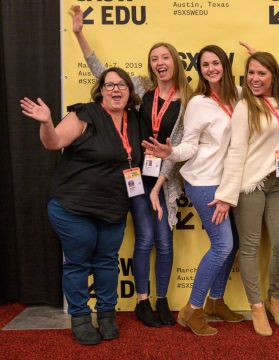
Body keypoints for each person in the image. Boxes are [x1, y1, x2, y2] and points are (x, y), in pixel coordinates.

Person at [70, 5, 199, 327]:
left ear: (175, 62)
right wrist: (78, 34)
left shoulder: (189, 101)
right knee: (144, 239)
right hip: (136, 177)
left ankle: (163, 300)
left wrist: (158, 188)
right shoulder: (142, 91)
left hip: (165, 181)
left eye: (165, 57)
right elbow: (100, 71)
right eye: (154, 59)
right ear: (151, 66)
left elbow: (178, 149)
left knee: (165, 242)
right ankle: (142, 301)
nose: (159, 63)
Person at [21, 68, 141, 345]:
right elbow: (54, 142)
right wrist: (46, 123)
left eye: (122, 85)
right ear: (100, 90)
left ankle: (107, 315)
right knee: (78, 263)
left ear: (129, 92)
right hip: (74, 206)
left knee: (108, 262)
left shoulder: (133, 119)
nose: (116, 90)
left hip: (112, 207)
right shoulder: (83, 114)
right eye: (110, 84)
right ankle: (80, 318)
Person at [142, 45, 244, 336]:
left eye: (215, 63)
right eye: (205, 65)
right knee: (222, 245)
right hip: (204, 182)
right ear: (200, 70)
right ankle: (192, 309)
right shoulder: (199, 102)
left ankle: (215, 301)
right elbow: (189, 146)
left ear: (225, 65)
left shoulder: (237, 95)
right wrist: (170, 151)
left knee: (232, 244)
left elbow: (272, 90)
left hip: (228, 182)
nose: (210, 69)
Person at [211, 52, 279, 337]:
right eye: (250, 73)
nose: (255, 79)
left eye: (262, 73)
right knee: (249, 247)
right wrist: (226, 194)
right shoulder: (244, 107)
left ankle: (275, 299)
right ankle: (257, 306)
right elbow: (236, 151)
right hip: (251, 184)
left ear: (274, 75)